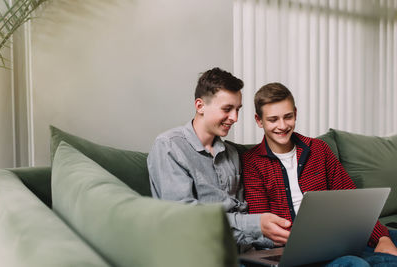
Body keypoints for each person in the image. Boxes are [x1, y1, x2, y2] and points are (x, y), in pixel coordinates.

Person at [241, 82, 397, 265]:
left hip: (338, 237)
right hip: (293, 250)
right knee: (355, 264)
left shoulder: (318, 149)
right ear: (259, 121)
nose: (282, 126)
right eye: (273, 119)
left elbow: (351, 198)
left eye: (288, 117)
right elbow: (262, 223)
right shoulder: (252, 162)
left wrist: (382, 238)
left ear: (296, 114)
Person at [148, 67, 278, 250]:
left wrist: (274, 239)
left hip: (239, 253)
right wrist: (256, 224)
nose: (234, 118)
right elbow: (186, 219)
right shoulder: (169, 146)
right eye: (227, 109)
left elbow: (241, 213)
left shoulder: (231, 154)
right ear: (200, 106)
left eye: (237, 109)